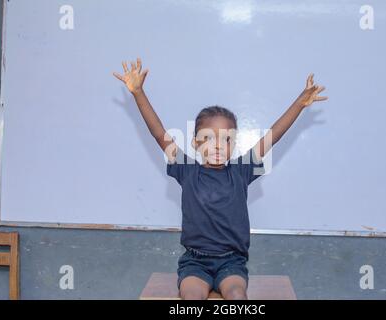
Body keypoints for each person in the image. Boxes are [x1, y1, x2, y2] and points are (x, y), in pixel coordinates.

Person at [113, 57, 327, 299]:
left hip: (231, 262)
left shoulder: (241, 171)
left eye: (226, 139)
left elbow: (272, 136)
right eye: (209, 138)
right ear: (195, 143)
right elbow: (158, 132)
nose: (218, 145)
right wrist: (139, 93)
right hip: (195, 262)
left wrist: (299, 103)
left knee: (236, 295)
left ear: (233, 144)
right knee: (192, 297)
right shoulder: (186, 169)